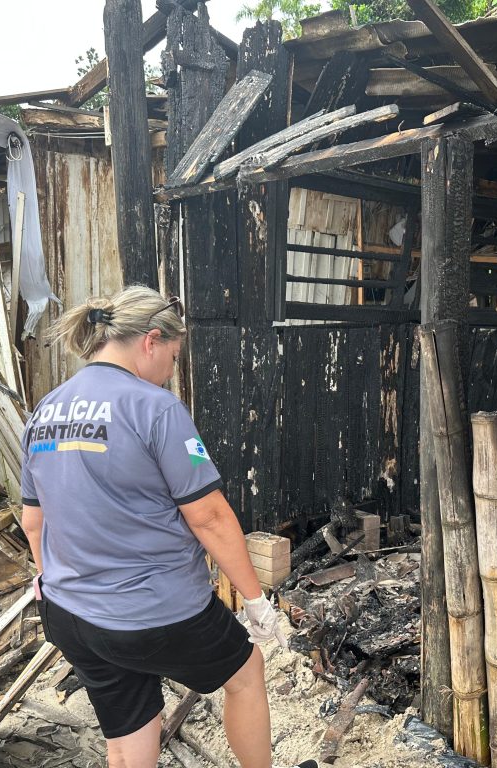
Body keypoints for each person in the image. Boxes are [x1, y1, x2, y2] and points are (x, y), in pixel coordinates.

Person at [20, 285, 315, 768]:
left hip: (72, 614)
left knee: (129, 734)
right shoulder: (155, 408)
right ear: (151, 341)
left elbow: (34, 523)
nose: (171, 372)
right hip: (154, 613)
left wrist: (51, 581)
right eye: (175, 357)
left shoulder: (45, 411)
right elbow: (210, 517)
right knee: (245, 671)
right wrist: (257, 602)